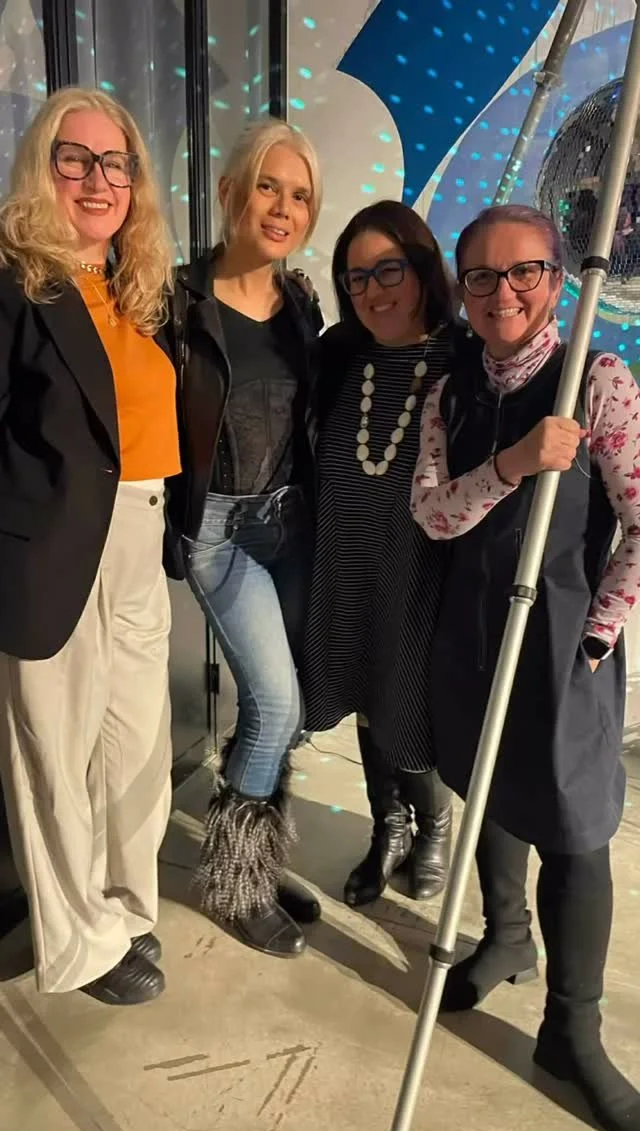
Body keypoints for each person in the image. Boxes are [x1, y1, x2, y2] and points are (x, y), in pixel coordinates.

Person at [411, 203, 640, 1131]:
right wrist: (512, 463)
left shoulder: (599, 382)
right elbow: (432, 514)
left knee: (576, 833)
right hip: (471, 637)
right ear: (461, 288)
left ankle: (571, 1035)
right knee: (487, 789)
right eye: (482, 276)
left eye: (525, 272)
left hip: (563, 646)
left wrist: (598, 635)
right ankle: (507, 937)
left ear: (557, 278)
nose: (503, 292)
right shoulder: (450, 393)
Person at [0, 87, 178, 1004]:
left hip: (142, 533)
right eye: (76, 159)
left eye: (116, 163)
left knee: (134, 742)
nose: (98, 179)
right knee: (55, 754)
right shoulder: (15, 283)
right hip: (51, 548)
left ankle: (127, 906)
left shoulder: (139, 288)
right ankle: (80, 943)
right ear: (44, 167)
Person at [167, 119, 323, 959]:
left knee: (291, 707)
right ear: (230, 192)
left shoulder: (301, 304)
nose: (282, 207)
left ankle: (253, 858)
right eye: (268, 186)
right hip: (220, 530)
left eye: (299, 195)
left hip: (290, 521)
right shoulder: (177, 302)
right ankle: (236, 885)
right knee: (274, 702)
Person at [302, 201, 456, 909]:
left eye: (388, 270)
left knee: (407, 709)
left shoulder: (463, 359)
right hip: (344, 564)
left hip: (421, 576)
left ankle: (433, 826)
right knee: (364, 701)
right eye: (356, 277)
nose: (372, 290)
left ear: (422, 268)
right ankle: (387, 827)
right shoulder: (339, 354)